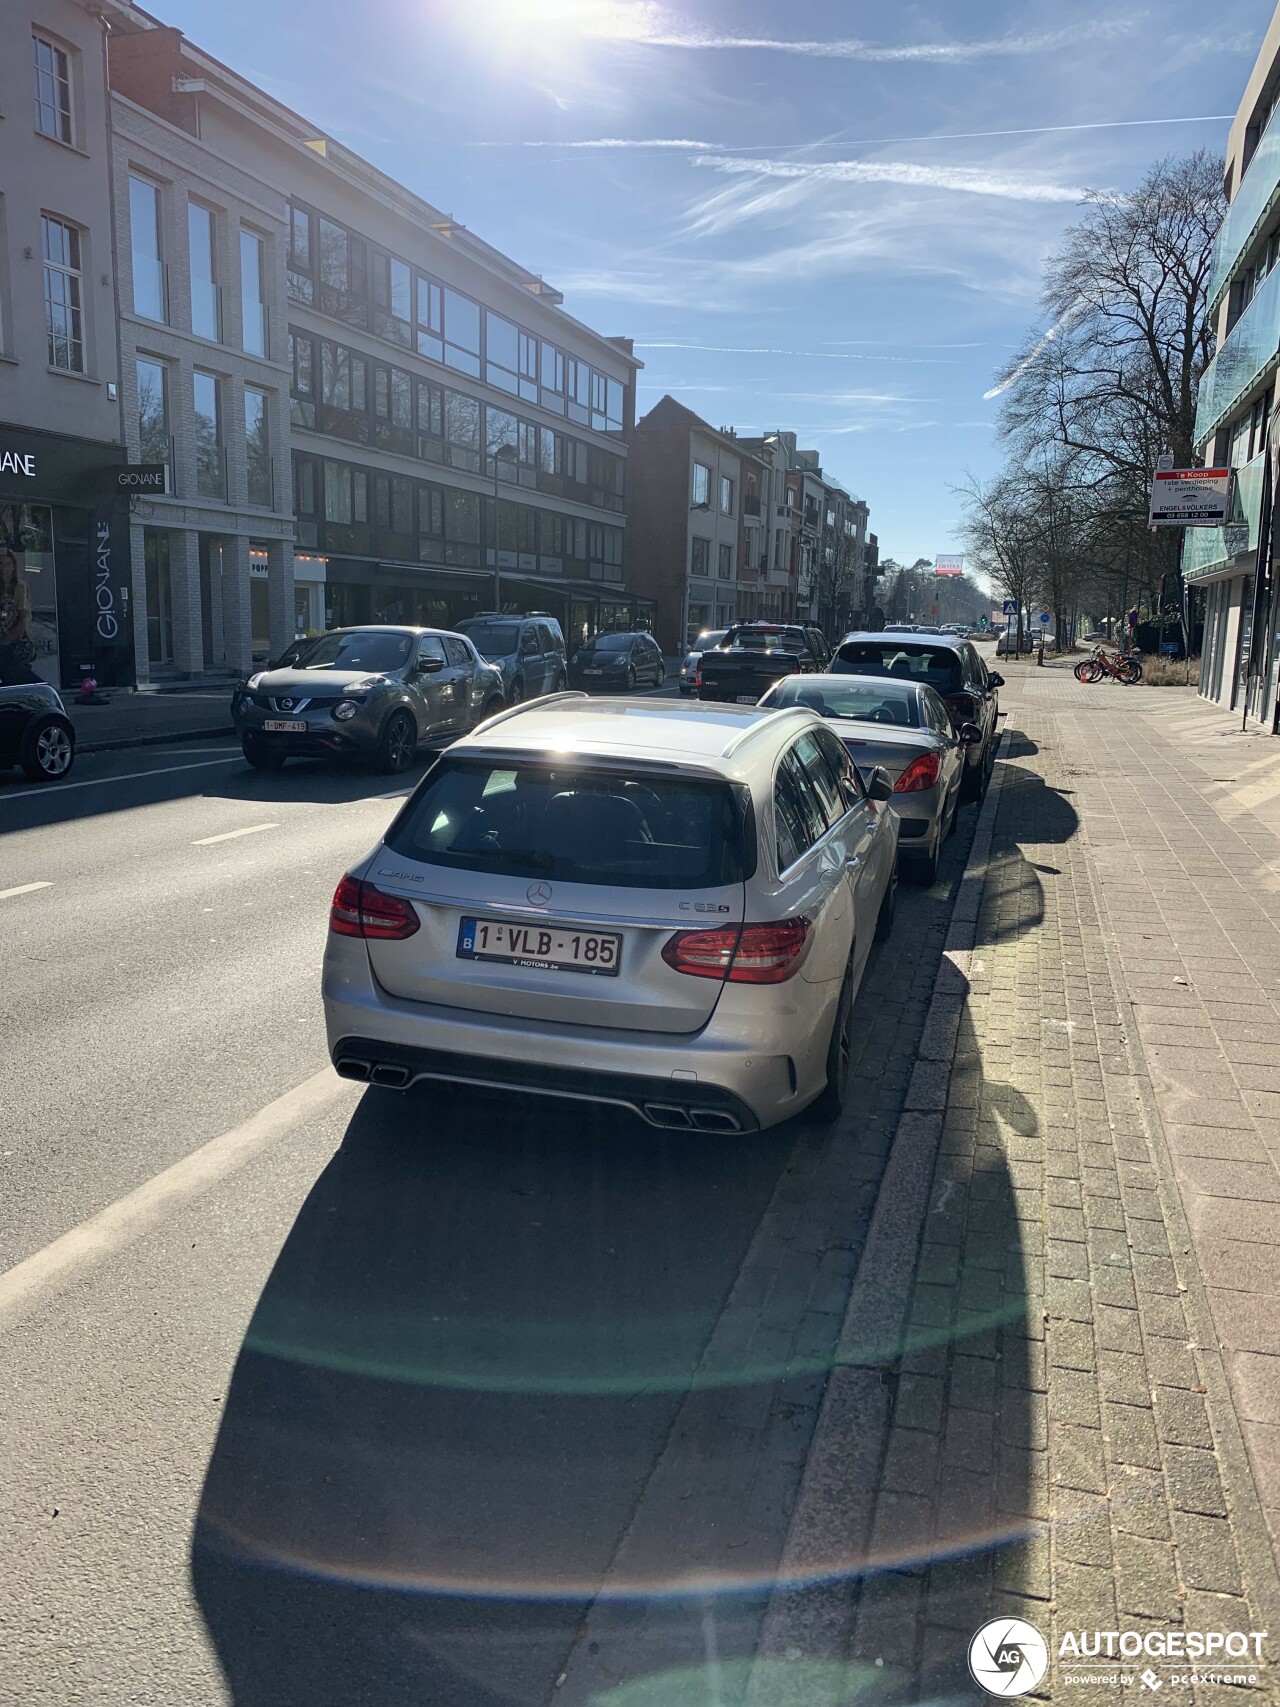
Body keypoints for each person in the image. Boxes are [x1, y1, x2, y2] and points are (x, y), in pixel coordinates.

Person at [0, 550, 38, 685]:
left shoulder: (19, 587)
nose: (4, 569)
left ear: (14, 566)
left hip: (17, 641)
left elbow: (23, 620)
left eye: (8, 565)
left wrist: (5, 642)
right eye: (1, 564)